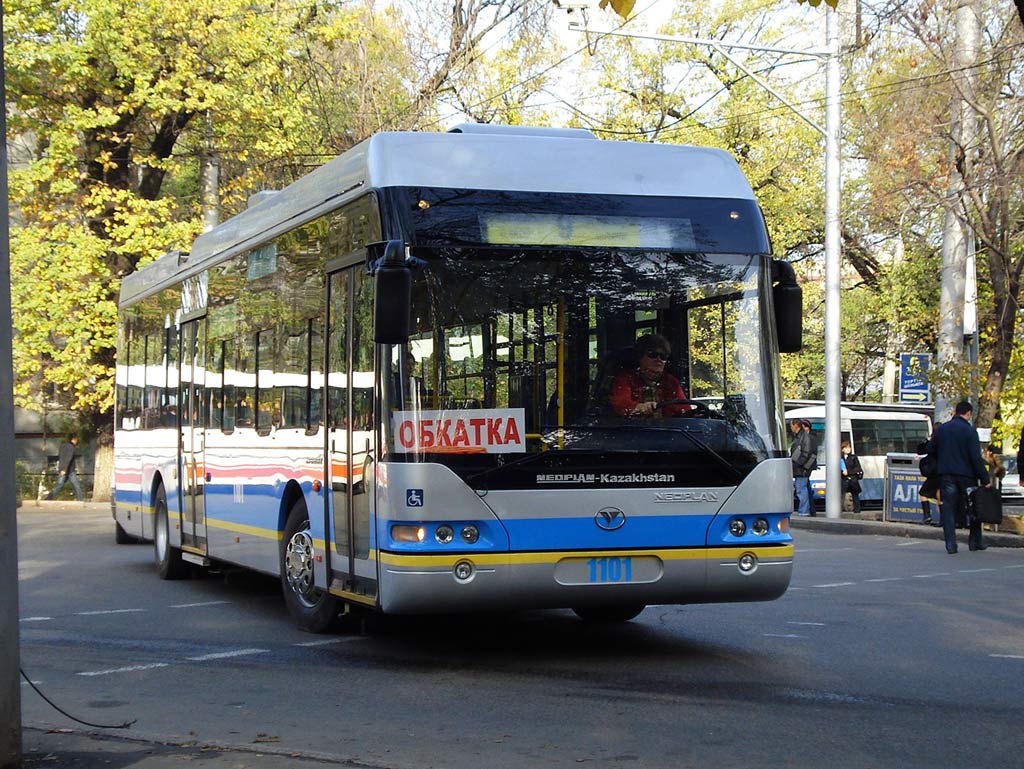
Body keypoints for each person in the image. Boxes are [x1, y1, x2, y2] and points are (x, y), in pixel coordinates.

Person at [921, 401, 991, 554]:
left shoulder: (943, 429)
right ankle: (974, 542)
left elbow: (930, 449)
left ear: (955, 412)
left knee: (949, 509)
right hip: (967, 477)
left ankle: (951, 544)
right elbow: (975, 457)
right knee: (973, 507)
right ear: (968, 413)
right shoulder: (970, 431)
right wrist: (985, 479)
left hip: (947, 475)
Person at [609, 333, 691, 418]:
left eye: (663, 356)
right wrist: (639, 407)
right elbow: (621, 405)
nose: (658, 359)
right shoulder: (625, 379)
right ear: (640, 357)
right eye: (653, 354)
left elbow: (685, 409)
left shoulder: (671, 382)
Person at [790, 418, 817, 517]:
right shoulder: (801, 436)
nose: (791, 428)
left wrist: (797, 464)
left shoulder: (804, 437)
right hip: (801, 467)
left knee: (801, 489)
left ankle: (804, 511)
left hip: (801, 468)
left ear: (795, 425)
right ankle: (806, 510)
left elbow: (806, 453)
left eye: (791, 425)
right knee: (803, 489)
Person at [47, 435, 84, 501]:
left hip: (63, 469)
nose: (77, 441)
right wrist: (65, 469)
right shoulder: (71, 447)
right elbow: (68, 458)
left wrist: (61, 468)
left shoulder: (62, 446)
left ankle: (50, 496)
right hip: (69, 470)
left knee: (60, 485)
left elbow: (61, 458)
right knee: (76, 486)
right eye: (76, 440)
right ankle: (80, 500)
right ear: (74, 439)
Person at [840, 440, 862, 514]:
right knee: (841, 495)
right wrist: (842, 472)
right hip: (843, 479)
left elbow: (858, 468)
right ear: (842, 449)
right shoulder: (840, 458)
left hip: (853, 479)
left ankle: (857, 510)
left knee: (855, 495)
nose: (848, 449)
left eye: (849, 448)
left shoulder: (853, 457)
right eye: (846, 448)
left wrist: (849, 472)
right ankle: (840, 509)